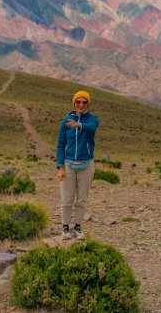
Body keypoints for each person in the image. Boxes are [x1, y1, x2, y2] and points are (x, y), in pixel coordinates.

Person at [56, 91, 100, 240]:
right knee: (67, 198)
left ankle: (78, 227)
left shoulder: (92, 119)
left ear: (88, 104)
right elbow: (61, 145)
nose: (81, 105)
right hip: (68, 164)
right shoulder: (66, 121)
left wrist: (79, 125)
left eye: (84, 102)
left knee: (82, 199)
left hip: (86, 164)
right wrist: (60, 166)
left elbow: (91, 128)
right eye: (78, 102)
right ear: (74, 103)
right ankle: (65, 227)